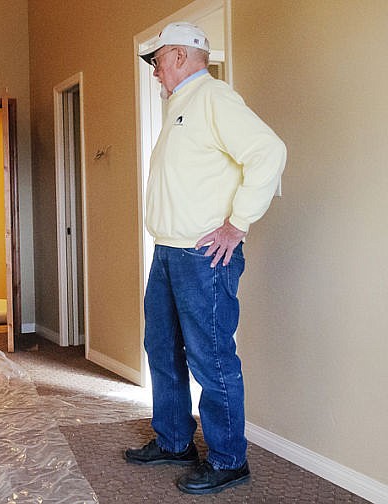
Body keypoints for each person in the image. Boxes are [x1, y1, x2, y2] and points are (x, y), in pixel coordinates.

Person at [123, 22, 286, 495]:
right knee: (161, 349)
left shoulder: (213, 98)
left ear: (178, 56)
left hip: (202, 255)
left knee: (210, 358)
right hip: (169, 251)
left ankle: (230, 460)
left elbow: (268, 152)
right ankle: (174, 441)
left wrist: (237, 224)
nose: (154, 72)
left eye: (156, 62)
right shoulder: (180, 106)